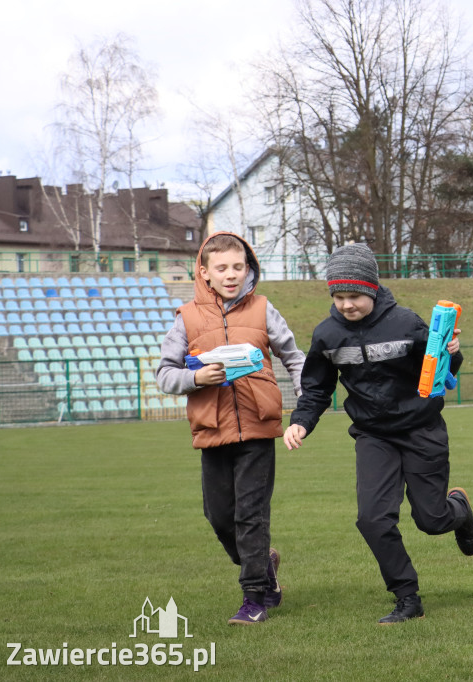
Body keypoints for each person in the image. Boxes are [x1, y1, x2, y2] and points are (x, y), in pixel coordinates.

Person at [282, 243, 473, 625]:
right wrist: (301, 421)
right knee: (372, 519)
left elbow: (441, 366)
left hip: (421, 429)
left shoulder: (406, 323)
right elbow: (318, 387)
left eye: (353, 295)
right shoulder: (326, 335)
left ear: (371, 289)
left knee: (432, 520)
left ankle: (460, 510)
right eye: (338, 296)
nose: (346, 305)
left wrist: (452, 350)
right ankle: (408, 598)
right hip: (374, 436)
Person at [156, 232, 305, 624]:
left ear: (248, 269)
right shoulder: (186, 317)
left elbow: (293, 356)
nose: (231, 274)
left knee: (250, 517)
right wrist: (197, 379)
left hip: (258, 429)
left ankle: (255, 598)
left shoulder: (263, 310)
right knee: (219, 516)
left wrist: (305, 402)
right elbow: (165, 375)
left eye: (238, 267)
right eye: (221, 268)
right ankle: (263, 565)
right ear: (204, 272)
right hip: (212, 432)